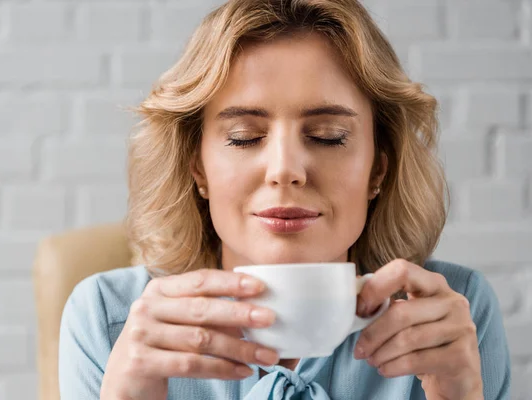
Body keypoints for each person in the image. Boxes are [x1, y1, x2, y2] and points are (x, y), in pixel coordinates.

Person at [58, 0, 511, 399]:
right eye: (243, 138)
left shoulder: (452, 313)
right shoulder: (110, 320)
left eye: (328, 137)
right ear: (198, 168)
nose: (285, 170)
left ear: (378, 169)